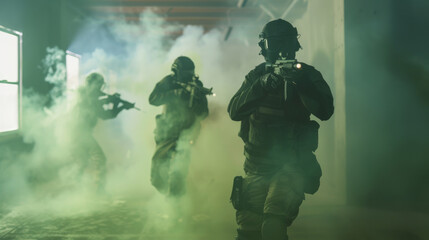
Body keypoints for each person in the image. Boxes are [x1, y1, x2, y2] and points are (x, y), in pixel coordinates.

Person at [228, 19, 334, 240]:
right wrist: (261, 85)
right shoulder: (257, 76)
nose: (280, 51)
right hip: (256, 166)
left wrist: (301, 84)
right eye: (275, 45)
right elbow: (234, 111)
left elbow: (325, 111)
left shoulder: (306, 75)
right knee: (248, 232)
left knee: (272, 227)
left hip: (290, 166)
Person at [149, 56, 209, 197]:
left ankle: (176, 208)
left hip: (186, 134)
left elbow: (204, 113)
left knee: (178, 173)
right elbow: (153, 99)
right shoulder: (169, 82)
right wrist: (175, 94)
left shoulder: (196, 86)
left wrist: (196, 104)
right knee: (156, 178)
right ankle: (169, 197)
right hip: (167, 133)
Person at [72, 72, 134, 192]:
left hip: (79, 133)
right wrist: (116, 103)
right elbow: (104, 111)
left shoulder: (90, 94)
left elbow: (105, 111)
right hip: (81, 133)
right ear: (92, 84)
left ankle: (77, 190)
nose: (100, 87)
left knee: (82, 162)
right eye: (98, 84)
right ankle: (98, 190)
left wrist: (118, 104)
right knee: (100, 159)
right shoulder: (85, 94)